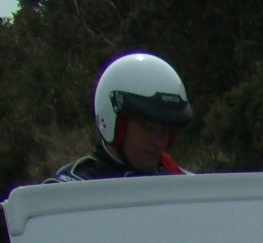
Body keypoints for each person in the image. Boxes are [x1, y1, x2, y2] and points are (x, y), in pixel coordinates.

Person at [50, 54, 193, 182]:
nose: (158, 141)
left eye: (165, 130)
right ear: (117, 126)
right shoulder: (72, 189)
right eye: (147, 127)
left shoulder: (182, 183)